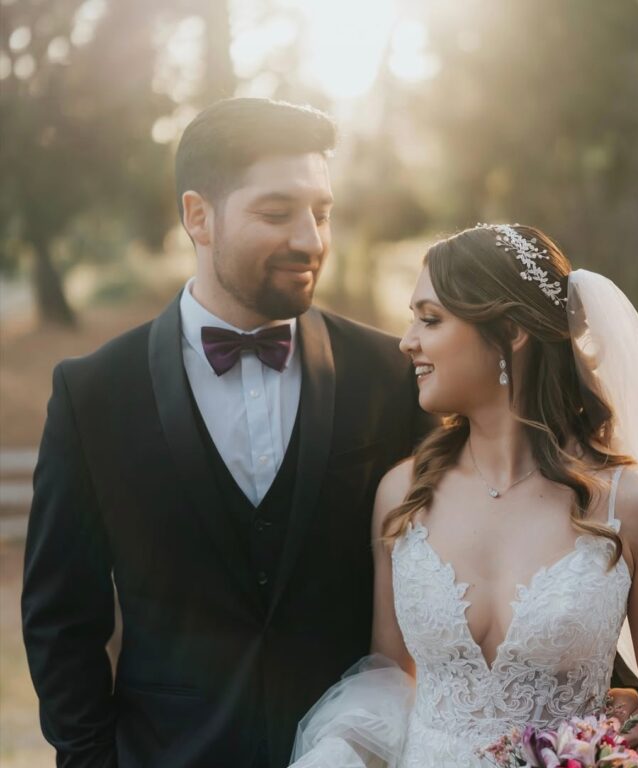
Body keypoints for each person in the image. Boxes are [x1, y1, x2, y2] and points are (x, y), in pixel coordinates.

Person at [21, 98, 432, 768]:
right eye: (277, 213)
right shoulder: (92, 393)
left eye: (321, 212)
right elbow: (62, 621)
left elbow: (479, 546)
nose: (311, 239)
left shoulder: (392, 376)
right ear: (198, 217)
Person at [290, 224, 638, 768]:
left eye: (430, 319)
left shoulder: (635, 507)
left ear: (511, 331)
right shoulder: (404, 494)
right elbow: (391, 674)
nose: (407, 340)